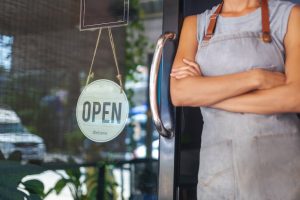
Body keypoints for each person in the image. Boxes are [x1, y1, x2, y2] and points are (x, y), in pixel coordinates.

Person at [170, 0, 300, 199]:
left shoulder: (290, 16)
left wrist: (206, 96)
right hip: (217, 172)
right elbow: (179, 93)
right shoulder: (194, 25)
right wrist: (256, 78)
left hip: (278, 165)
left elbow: (294, 97)